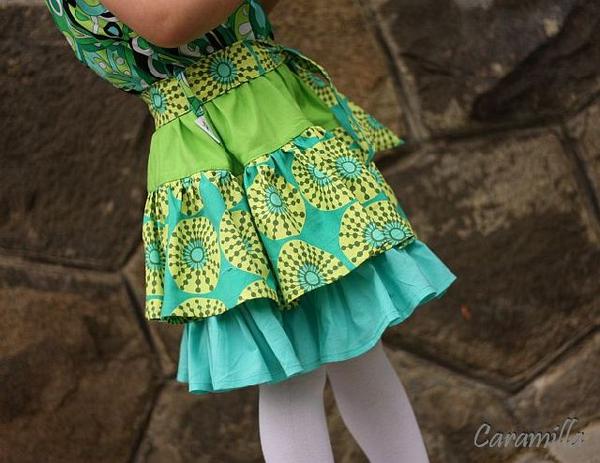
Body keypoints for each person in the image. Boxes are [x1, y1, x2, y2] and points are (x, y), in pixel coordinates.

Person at [44, 1, 457, 461]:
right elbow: (168, 22)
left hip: (268, 118)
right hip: (220, 144)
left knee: (357, 344)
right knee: (292, 374)